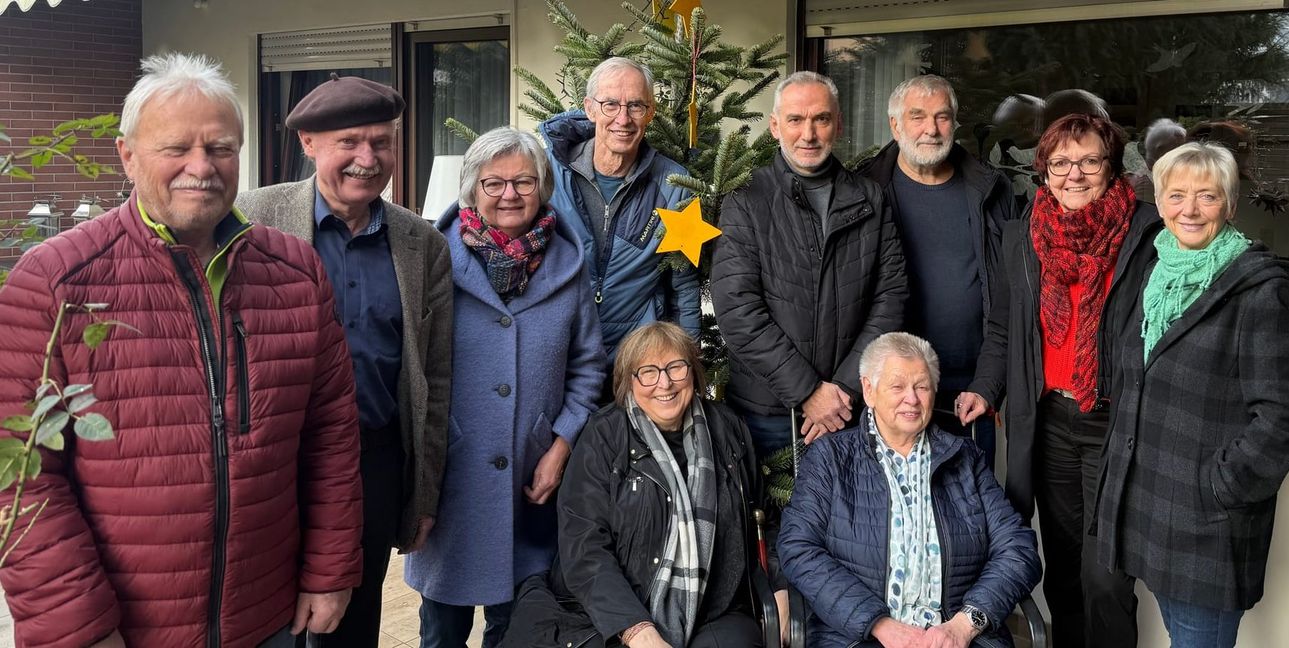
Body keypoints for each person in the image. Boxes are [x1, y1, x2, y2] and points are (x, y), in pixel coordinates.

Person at [0, 53, 362, 648]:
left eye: (220, 148)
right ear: (127, 155)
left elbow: (330, 435)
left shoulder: (295, 272)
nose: (202, 167)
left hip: (265, 616)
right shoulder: (57, 281)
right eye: (177, 149)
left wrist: (329, 572)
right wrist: (78, 627)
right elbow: (20, 473)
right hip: (121, 628)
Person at [235, 74, 453, 648]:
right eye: (349, 142)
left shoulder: (421, 243)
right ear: (309, 142)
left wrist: (422, 494)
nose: (367, 158)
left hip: (371, 465)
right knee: (260, 619)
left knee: (350, 626)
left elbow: (436, 376)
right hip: (269, 461)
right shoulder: (249, 219)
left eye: (380, 142)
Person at [958, 113, 1161, 647]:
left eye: (1090, 161)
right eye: (1061, 163)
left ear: (1111, 167)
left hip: (1115, 421)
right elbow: (1003, 326)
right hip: (1047, 421)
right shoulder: (1023, 234)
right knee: (1065, 570)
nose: (1075, 174)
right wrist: (985, 387)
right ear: (1043, 170)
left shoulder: (1147, 232)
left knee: (1107, 576)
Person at [406, 126, 606, 648]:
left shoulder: (569, 263)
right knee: (441, 632)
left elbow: (588, 365)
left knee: (517, 629)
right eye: (494, 184)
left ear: (543, 187)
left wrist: (561, 444)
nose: (509, 195)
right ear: (471, 189)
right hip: (454, 474)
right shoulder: (433, 256)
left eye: (523, 182)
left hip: (531, 475)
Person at [1094, 142, 1289, 648]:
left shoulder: (1260, 290)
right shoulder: (1156, 272)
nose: (1190, 210)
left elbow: (1280, 416)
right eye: (1177, 195)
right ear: (1159, 202)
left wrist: (1220, 486)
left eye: (1206, 196)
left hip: (1206, 521)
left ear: (1228, 203)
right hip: (1151, 505)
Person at [500, 321, 767, 648]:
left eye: (676, 367)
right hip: (609, 610)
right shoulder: (603, 436)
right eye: (648, 372)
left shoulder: (727, 429)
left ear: (694, 372)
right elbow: (584, 544)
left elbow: (762, 517)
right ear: (629, 381)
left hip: (713, 607)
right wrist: (635, 628)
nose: (665, 383)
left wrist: (778, 586)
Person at [779, 332, 1041, 648]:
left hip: (958, 640)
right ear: (869, 390)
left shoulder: (965, 458)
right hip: (859, 638)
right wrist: (879, 624)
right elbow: (798, 547)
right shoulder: (831, 459)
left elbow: (1018, 549)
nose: (912, 399)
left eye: (921, 386)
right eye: (897, 386)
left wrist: (963, 624)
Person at [712, 70, 907, 459]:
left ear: (838, 124)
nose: (808, 134)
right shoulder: (747, 200)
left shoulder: (870, 197)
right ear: (774, 126)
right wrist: (807, 392)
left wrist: (844, 389)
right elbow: (737, 309)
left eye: (821, 119)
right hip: (766, 412)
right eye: (795, 120)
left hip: (848, 410)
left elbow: (892, 298)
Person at [857, 74, 1015, 467]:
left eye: (942, 117)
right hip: (891, 393)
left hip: (968, 394)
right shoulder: (863, 191)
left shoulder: (991, 191)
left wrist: (988, 384)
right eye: (917, 116)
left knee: (968, 514)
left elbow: (1009, 298)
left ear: (955, 123)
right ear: (895, 125)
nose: (931, 129)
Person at [539, 57, 700, 362]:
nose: (623, 119)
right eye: (610, 104)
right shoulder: (546, 173)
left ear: (650, 112)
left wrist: (686, 363)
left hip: (638, 361)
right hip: (559, 354)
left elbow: (684, 284)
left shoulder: (675, 184)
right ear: (590, 108)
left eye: (636, 106)